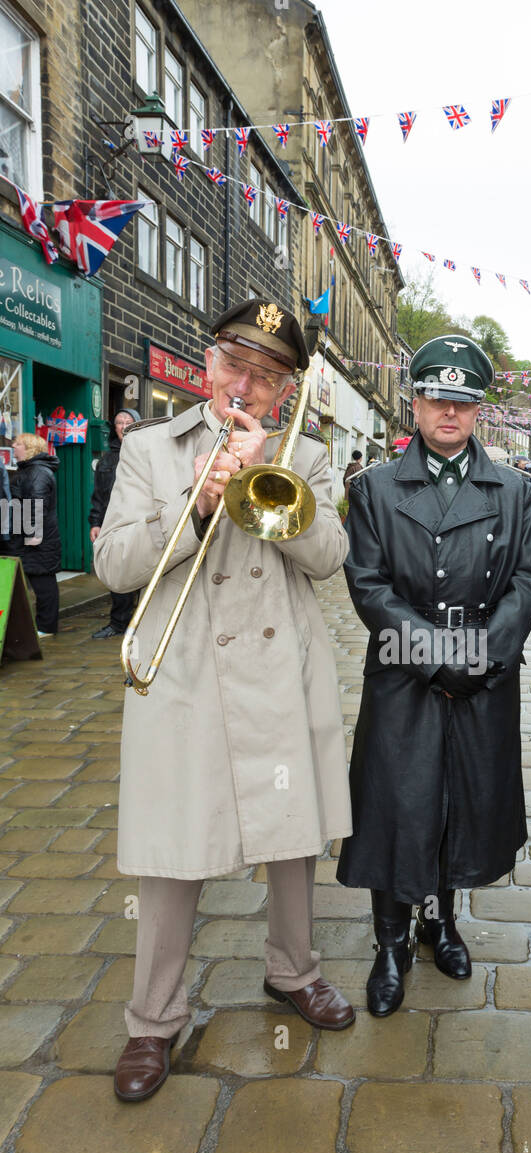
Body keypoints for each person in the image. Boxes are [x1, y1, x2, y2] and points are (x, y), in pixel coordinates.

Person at [93, 298, 355, 1101]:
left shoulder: (305, 454)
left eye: (268, 376)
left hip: (279, 672)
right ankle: (153, 1020)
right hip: (187, 676)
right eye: (236, 366)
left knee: (291, 841)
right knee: (174, 849)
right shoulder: (148, 450)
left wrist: (267, 473)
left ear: (285, 390)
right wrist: (198, 502)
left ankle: (293, 971)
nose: (246, 384)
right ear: (208, 364)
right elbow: (111, 566)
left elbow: (329, 558)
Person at [337, 333, 531, 1016]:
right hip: (405, 674)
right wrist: (434, 655)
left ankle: (441, 922)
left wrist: (482, 655)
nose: (448, 413)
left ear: (478, 410)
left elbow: (526, 579)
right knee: (399, 806)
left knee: (461, 803)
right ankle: (390, 942)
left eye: (462, 401)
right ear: (415, 405)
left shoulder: (513, 489)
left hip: (482, 677)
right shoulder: (372, 488)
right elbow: (369, 585)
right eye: (435, 398)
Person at [89, 408, 141, 638]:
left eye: (128, 421)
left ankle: (145, 620)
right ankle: (119, 623)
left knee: (144, 571)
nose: (123, 425)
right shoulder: (107, 459)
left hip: (142, 521)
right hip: (114, 523)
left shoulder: (146, 453)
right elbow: (99, 495)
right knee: (118, 571)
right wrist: (95, 522)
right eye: (119, 422)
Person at [6, 433, 61, 637]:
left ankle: (46, 627)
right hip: (27, 538)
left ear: (29, 448)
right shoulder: (29, 470)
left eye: (18, 443)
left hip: (37, 541)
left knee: (43, 582)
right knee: (38, 580)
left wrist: (33, 536)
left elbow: (36, 505)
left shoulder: (37, 472)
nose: (13, 446)